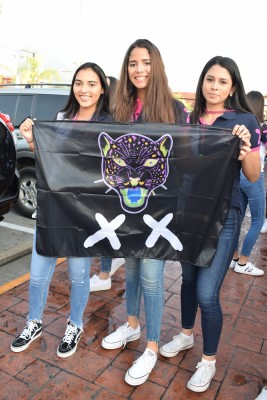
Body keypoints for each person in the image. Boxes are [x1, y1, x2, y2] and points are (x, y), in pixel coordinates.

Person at [159, 56, 261, 393]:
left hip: (225, 216)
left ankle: (209, 360)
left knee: (207, 292)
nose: (214, 87)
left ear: (232, 88)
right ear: (202, 82)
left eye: (222, 82)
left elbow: (253, 174)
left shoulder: (243, 121)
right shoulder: (190, 119)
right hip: (188, 213)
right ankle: (186, 336)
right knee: (188, 281)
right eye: (210, 80)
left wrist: (245, 148)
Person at [10, 62, 112, 358]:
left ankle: (75, 325)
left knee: (79, 276)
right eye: (79, 83)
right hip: (53, 209)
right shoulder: (60, 118)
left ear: (102, 88)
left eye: (92, 84)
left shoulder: (108, 125)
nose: (84, 89)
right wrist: (31, 139)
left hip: (84, 214)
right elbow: (48, 161)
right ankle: (34, 322)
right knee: (39, 273)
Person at [100, 39, 187, 387]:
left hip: (159, 209)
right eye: (133, 63)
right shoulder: (118, 108)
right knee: (132, 267)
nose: (139, 69)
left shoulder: (176, 110)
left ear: (157, 66)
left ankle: (150, 346)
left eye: (146, 62)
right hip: (127, 209)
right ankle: (132, 325)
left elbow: (187, 157)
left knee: (152, 277)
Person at [229, 90, 266, 275]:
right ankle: (243, 263)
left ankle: (233, 258)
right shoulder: (261, 127)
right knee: (258, 221)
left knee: (238, 219)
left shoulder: (241, 124)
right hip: (253, 177)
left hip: (240, 176)